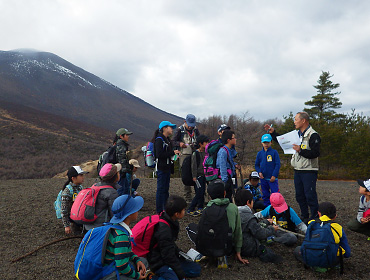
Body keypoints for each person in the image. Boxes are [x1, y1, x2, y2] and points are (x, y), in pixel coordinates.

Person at [264, 112, 321, 222]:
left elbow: (315, 153)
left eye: (296, 119)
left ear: (303, 120)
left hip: (309, 170)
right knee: (299, 196)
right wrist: (273, 133)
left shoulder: (313, 135)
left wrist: (300, 150)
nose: (294, 122)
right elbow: (283, 142)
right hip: (298, 170)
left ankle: (315, 218)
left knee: (310, 195)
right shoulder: (297, 134)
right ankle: (305, 216)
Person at [147, 195, 201, 280]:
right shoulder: (164, 230)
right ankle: (151, 277)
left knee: (196, 270)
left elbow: (169, 246)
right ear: (177, 214)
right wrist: (180, 274)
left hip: (166, 255)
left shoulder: (170, 221)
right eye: (183, 210)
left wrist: (179, 253)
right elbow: (168, 255)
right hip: (158, 262)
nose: (184, 211)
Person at [294, 202, 351, 271]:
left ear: (319, 213)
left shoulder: (311, 223)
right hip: (330, 259)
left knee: (297, 250)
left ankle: (314, 263)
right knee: (339, 251)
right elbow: (347, 253)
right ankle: (328, 265)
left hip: (311, 256)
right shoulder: (337, 227)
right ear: (335, 216)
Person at [102, 195, 148, 280]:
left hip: (107, 264)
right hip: (109, 273)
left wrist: (136, 259)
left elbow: (124, 251)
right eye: (136, 209)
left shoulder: (114, 226)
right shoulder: (121, 236)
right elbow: (121, 265)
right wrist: (136, 276)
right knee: (142, 267)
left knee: (142, 261)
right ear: (129, 215)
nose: (138, 211)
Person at [206, 180, 249, 267]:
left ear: (210, 196)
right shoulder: (233, 208)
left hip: (209, 246)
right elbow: (238, 232)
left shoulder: (207, 209)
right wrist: (238, 252)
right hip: (227, 247)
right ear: (225, 193)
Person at [234, 187, 282, 263]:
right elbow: (260, 233)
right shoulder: (249, 217)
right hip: (247, 247)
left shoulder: (234, 213)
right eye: (252, 200)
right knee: (265, 249)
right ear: (248, 202)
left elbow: (253, 227)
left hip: (235, 246)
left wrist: (266, 221)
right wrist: (272, 229)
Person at [154, 121, 181, 214]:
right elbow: (159, 154)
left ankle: (165, 209)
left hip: (167, 167)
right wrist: (172, 153)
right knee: (161, 190)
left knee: (165, 190)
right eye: (170, 127)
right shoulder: (159, 139)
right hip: (162, 168)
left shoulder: (167, 139)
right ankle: (159, 211)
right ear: (164, 128)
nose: (172, 129)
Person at [84, 163, 120, 231]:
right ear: (114, 176)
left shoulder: (95, 186)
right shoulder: (111, 192)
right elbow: (115, 214)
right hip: (101, 228)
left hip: (88, 225)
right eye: (118, 172)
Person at [172, 114, 200, 203]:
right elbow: (173, 142)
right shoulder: (180, 130)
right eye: (189, 125)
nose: (191, 127)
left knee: (196, 173)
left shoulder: (196, 130)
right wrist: (179, 144)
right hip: (184, 155)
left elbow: (199, 139)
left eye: (192, 125)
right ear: (185, 122)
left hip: (194, 154)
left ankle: (198, 195)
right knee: (186, 175)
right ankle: (187, 197)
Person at [61, 166, 89, 235]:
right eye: (81, 175)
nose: (83, 177)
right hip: (73, 221)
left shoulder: (80, 187)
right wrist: (66, 226)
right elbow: (64, 210)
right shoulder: (67, 192)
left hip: (80, 217)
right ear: (73, 178)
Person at [255, 134, 281, 206]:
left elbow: (277, 165)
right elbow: (256, 165)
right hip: (263, 179)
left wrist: (274, 175)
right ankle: (267, 210)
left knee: (275, 195)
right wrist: (259, 172)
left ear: (271, 142)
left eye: (267, 142)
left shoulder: (274, 152)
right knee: (265, 195)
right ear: (261, 143)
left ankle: (276, 210)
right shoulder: (259, 153)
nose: (266, 144)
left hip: (272, 179)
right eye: (264, 142)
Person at [187, 135, 209, 217]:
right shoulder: (195, 154)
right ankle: (191, 208)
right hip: (198, 176)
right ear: (200, 143)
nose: (207, 144)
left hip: (205, 175)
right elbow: (194, 166)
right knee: (199, 192)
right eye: (206, 142)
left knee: (202, 192)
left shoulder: (207, 152)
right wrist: (194, 176)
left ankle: (200, 207)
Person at [216, 130, 239, 201]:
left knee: (229, 198)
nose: (235, 139)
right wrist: (225, 181)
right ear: (229, 140)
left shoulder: (228, 150)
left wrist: (235, 165)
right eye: (233, 138)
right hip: (226, 179)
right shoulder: (223, 151)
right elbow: (222, 166)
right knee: (227, 198)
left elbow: (228, 162)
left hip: (229, 178)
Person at [115, 128, 134, 196]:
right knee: (122, 189)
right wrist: (127, 169)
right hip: (121, 172)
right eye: (126, 135)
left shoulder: (118, 145)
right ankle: (120, 205)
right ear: (121, 136)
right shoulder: (121, 146)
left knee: (125, 188)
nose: (128, 136)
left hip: (120, 172)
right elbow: (122, 160)